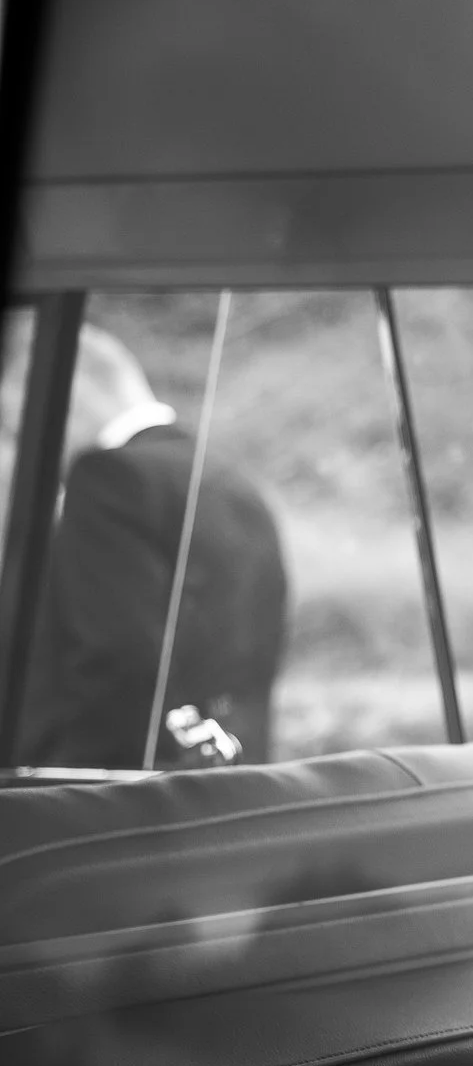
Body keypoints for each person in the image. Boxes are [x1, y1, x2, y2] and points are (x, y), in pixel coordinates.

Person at [16, 324, 288, 767]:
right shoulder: (230, 478)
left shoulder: (107, 478)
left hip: (116, 795)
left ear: (64, 392)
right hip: (230, 777)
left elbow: (119, 656)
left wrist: (62, 783)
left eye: (14, 422)